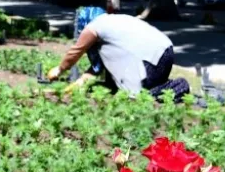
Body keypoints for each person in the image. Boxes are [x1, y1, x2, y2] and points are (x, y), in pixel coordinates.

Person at [47, 6, 189, 102]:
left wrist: (59, 70)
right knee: (114, 79)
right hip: (165, 53)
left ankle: (177, 87)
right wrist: (79, 83)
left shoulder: (95, 26)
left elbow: (76, 51)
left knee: (134, 98)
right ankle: (161, 86)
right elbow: (100, 67)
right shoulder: (112, 24)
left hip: (151, 60)